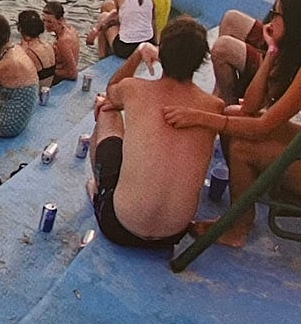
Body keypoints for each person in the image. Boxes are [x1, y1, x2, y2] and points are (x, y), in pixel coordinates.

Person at [164, 0, 301, 247]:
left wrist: (199, 117)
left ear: (294, 22)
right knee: (234, 114)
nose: (270, 20)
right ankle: (246, 192)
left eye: (276, 14)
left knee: (242, 149)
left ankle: (238, 228)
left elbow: (262, 127)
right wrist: (271, 51)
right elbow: (250, 106)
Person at [87, 17, 223, 248]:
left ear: (162, 53)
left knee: (106, 109)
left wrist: (140, 52)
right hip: (174, 235)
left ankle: (100, 188)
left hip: (118, 226)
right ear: (201, 62)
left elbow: (112, 90)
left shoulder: (134, 89)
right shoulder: (214, 107)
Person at [90, 0, 156, 59]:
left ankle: (102, 56)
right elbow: (152, 20)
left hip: (126, 48)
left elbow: (119, 17)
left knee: (104, 18)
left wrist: (99, 27)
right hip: (148, 43)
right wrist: (155, 42)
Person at [17, 10, 56, 90]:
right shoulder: (48, 45)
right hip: (47, 87)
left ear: (20, 28)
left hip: (35, 93)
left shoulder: (27, 52)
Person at [43, 1, 80, 83]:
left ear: (60, 20)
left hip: (61, 78)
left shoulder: (63, 41)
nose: (46, 25)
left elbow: (72, 74)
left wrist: (47, 71)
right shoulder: (69, 28)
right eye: (44, 20)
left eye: (49, 22)